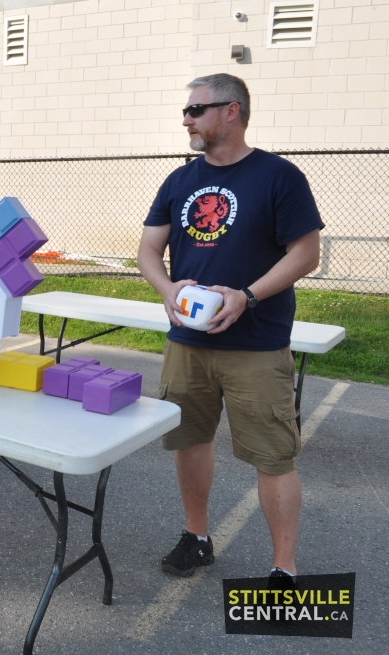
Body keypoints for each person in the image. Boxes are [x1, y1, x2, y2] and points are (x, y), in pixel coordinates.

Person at [137, 74, 323, 585]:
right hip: (188, 343)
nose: (186, 120)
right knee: (189, 441)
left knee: (274, 457)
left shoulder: (279, 176)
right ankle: (196, 537)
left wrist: (247, 296)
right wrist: (167, 289)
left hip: (256, 345)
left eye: (196, 110)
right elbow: (148, 249)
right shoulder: (179, 181)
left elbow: (306, 253)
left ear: (231, 111)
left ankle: (283, 568)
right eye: (186, 111)